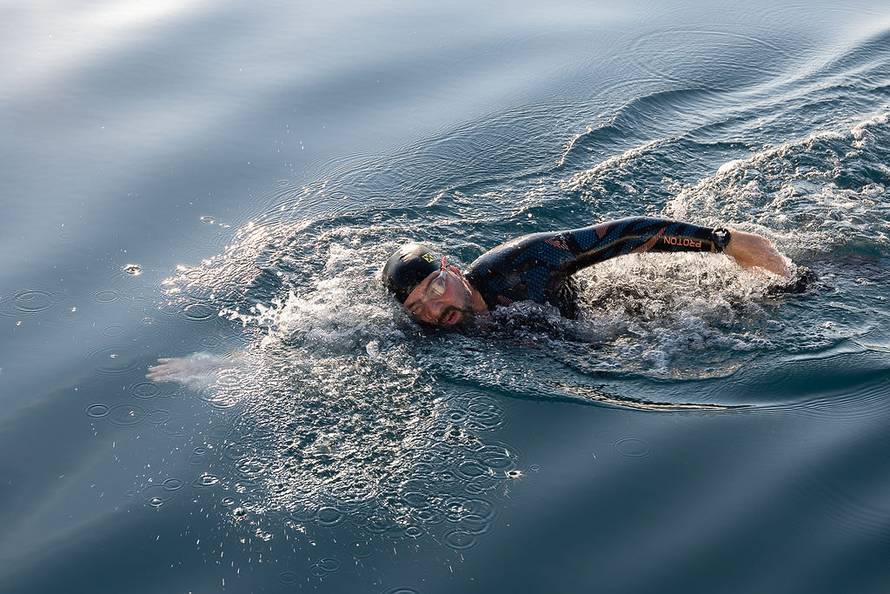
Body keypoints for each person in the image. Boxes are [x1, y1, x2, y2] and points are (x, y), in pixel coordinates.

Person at [382, 216, 791, 327]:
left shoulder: (523, 263)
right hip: (585, 344)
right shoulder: (437, 335)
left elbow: (628, 234)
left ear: (451, 270)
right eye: (419, 307)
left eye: (436, 287)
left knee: (788, 294)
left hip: (626, 310)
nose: (436, 309)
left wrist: (724, 241)